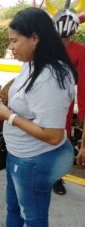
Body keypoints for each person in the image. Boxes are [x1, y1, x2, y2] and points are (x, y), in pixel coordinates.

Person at [0, 7, 77, 227]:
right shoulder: (32, 63)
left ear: (35, 37)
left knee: (34, 219)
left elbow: (53, 135)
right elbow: (23, 98)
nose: (11, 47)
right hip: (19, 153)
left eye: (14, 41)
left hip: (35, 159)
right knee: (14, 206)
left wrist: (7, 116)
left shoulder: (51, 77)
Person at [52, 8, 85, 195]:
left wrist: (81, 114)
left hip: (65, 103)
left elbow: (84, 86)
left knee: (60, 140)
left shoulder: (81, 51)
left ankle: (57, 177)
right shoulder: (45, 46)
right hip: (42, 100)